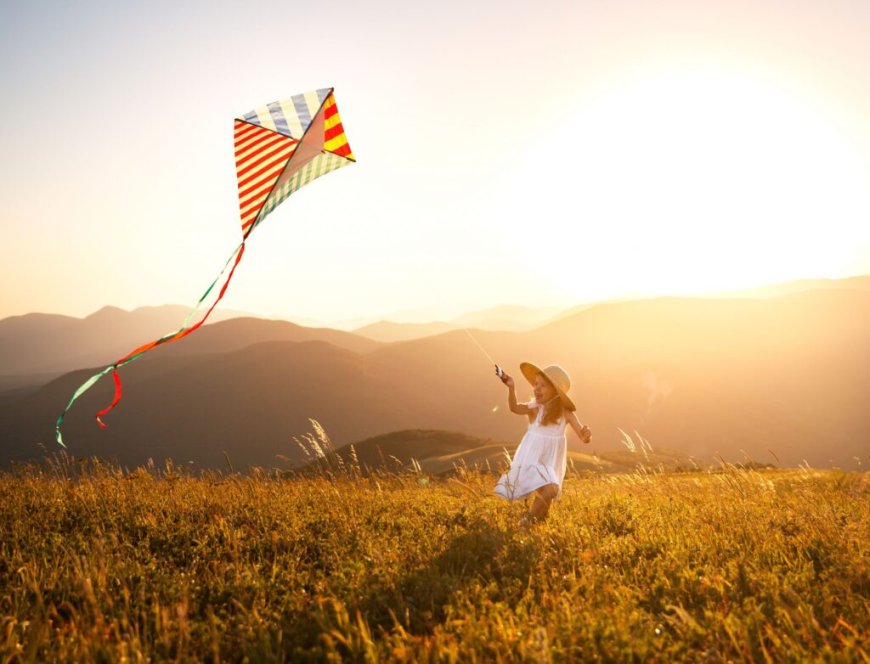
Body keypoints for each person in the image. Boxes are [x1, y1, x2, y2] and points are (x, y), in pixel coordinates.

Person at [494, 362, 591, 526]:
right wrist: (511, 387)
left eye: (543, 386)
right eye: (536, 384)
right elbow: (515, 408)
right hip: (532, 459)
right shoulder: (535, 409)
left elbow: (583, 436)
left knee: (546, 496)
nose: (536, 388)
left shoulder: (566, 414)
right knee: (551, 489)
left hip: (550, 461)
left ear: (555, 391)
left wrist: (586, 434)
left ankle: (537, 522)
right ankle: (528, 521)